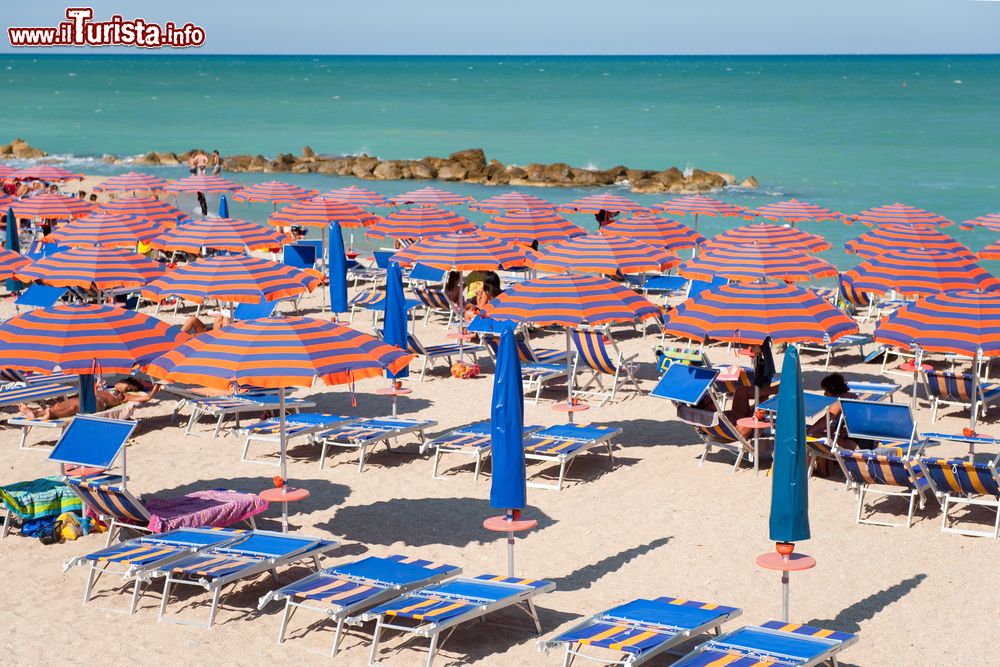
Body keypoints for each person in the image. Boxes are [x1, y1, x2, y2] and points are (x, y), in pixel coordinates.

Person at [18, 377, 158, 421]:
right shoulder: (107, 387)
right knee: (65, 403)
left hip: (98, 404)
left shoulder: (123, 396)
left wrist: (152, 392)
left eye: (122, 383)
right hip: (90, 398)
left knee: (73, 405)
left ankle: (46, 413)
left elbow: (145, 398)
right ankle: (37, 413)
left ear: (128, 387)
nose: (118, 383)